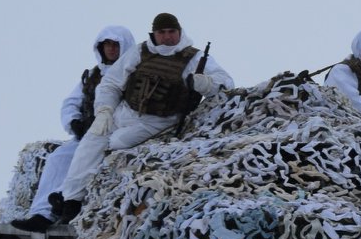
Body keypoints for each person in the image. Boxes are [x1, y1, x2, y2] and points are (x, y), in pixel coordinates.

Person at [53, 12, 233, 217]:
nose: (167, 37)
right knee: (91, 141)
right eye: (161, 32)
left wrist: (206, 83)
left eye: (171, 32)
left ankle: (92, 198)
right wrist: (104, 111)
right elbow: (111, 83)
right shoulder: (140, 52)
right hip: (124, 112)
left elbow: (226, 82)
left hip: (158, 121)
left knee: (116, 143)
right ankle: (70, 201)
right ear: (153, 34)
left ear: (179, 32)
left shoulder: (194, 57)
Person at [15, 26, 136, 231]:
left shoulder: (133, 75)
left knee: (93, 162)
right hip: (87, 135)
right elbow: (71, 103)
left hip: (116, 138)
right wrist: (73, 122)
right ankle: (41, 214)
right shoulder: (92, 75)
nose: (112, 49)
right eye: (107, 44)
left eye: (116, 45)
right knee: (58, 158)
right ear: (100, 47)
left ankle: (62, 203)